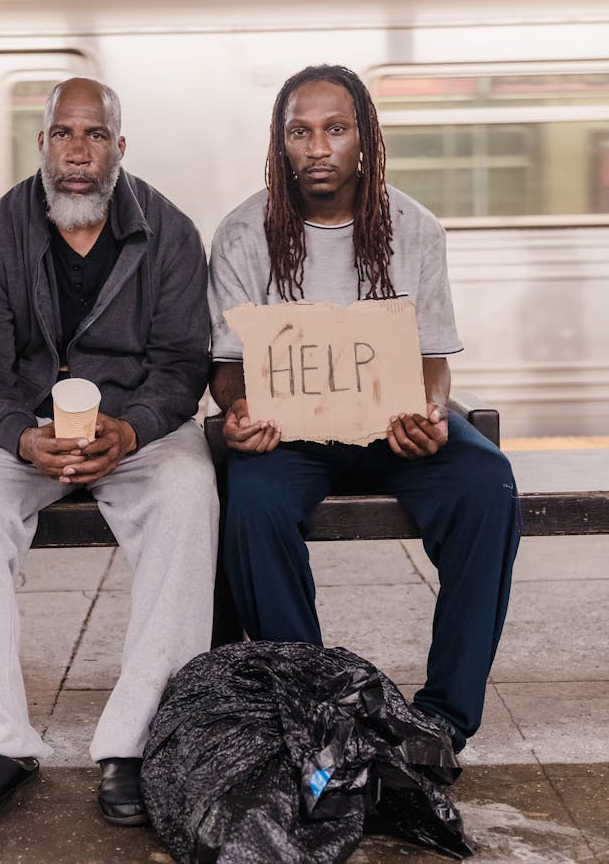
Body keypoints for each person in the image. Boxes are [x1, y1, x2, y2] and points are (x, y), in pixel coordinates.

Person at [0, 77, 218, 831]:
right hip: (26, 429)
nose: (77, 153)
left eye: (94, 136)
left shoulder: (171, 233)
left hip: (133, 431)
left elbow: (184, 362)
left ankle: (137, 742)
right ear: (42, 143)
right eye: (62, 134)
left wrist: (135, 426)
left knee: (189, 491)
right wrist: (21, 434)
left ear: (119, 146)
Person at [208, 63, 521, 755]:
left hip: (390, 426)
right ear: (280, 142)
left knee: (488, 481)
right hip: (290, 435)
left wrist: (432, 409)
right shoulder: (242, 232)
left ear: (365, 138)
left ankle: (440, 722)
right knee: (251, 504)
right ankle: (320, 717)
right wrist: (238, 409)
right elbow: (227, 368)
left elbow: (433, 357)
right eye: (300, 131)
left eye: (335, 128)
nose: (317, 147)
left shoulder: (414, 227)